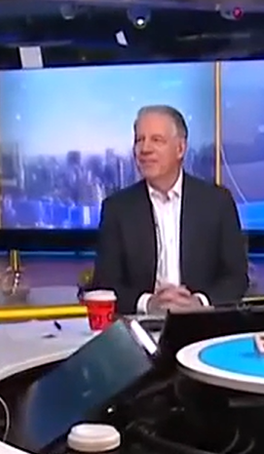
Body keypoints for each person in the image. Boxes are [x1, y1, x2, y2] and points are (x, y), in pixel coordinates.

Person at [91, 104, 249, 315]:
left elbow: (236, 277)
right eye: (139, 140)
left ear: (180, 149)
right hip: (141, 327)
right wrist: (149, 303)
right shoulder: (117, 208)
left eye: (157, 140)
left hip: (202, 323)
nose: (144, 149)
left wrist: (199, 303)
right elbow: (105, 283)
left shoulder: (217, 202)